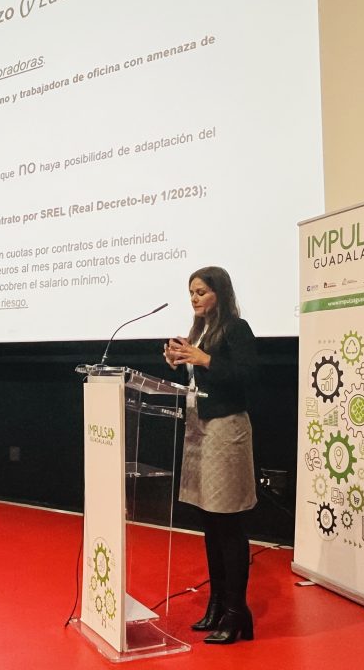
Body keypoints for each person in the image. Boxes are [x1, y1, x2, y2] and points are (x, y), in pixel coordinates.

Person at [163, 266, 258, 645]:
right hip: (198, 430)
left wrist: (204, 360)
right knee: (209, 523)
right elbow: (201, 382)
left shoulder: (236, 328)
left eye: (201, 291)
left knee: (228, 523)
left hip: (225, 431)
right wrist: (177, 361)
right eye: (191, 292)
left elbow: (248, 375)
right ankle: (217, 604)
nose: (194, 298)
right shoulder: (198, 332)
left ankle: (237, 612)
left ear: (220, 293)